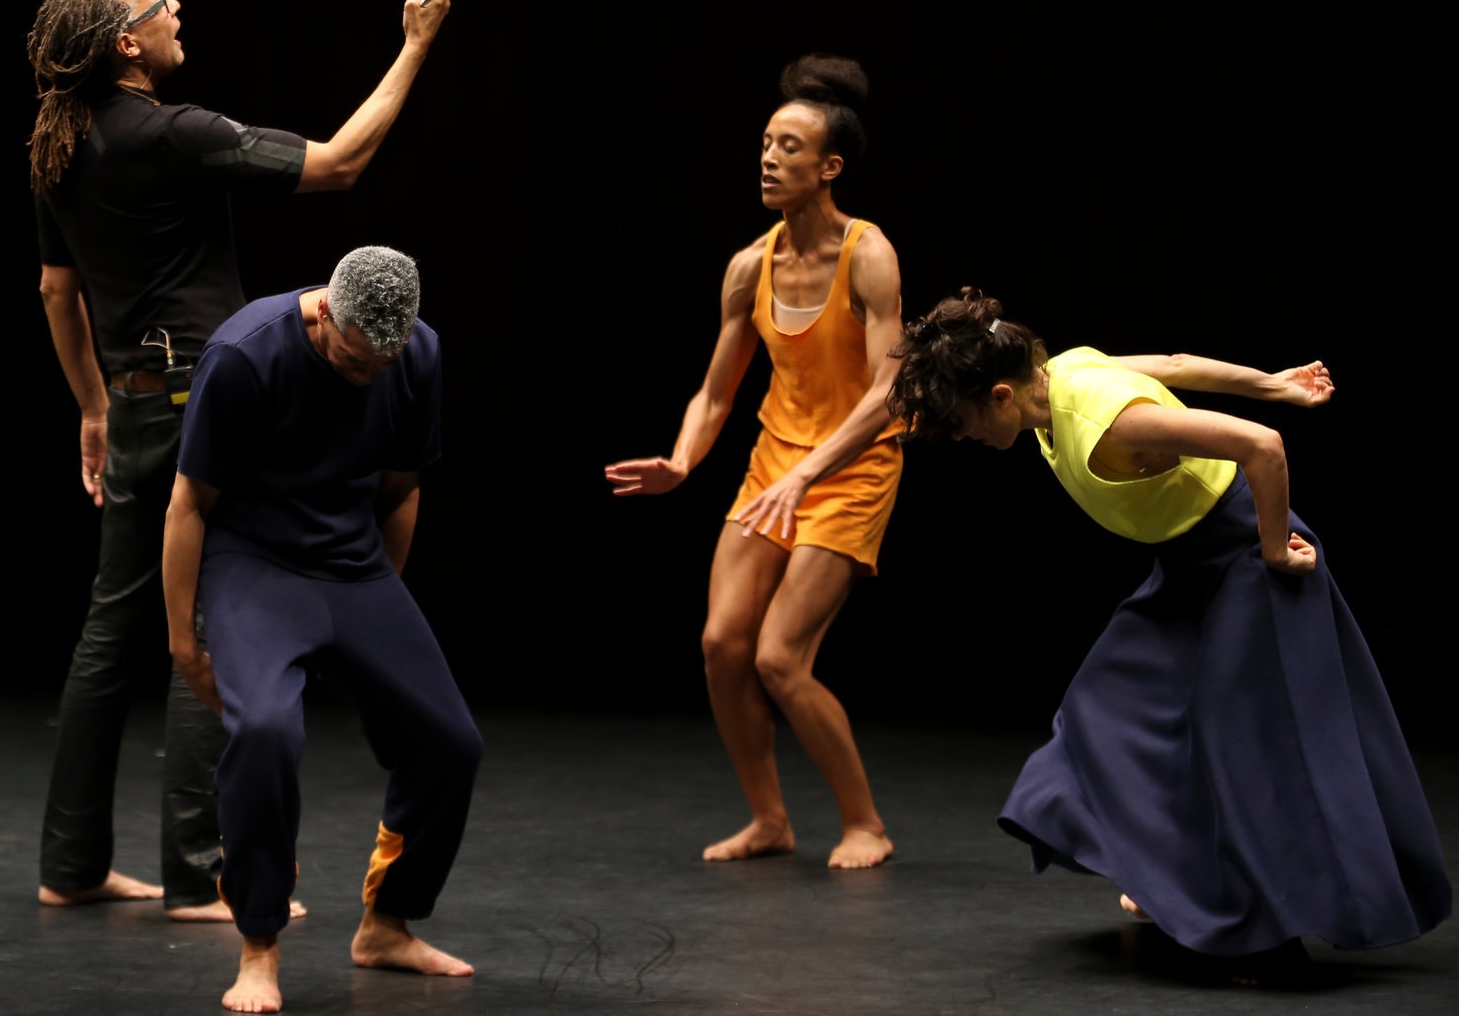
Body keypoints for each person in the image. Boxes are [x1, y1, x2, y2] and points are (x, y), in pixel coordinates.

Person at [27, 0, 454, 917]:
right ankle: (198, 874)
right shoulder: (176, 133)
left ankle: (71, 866)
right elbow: (341, 163)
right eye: (159, 4)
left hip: (136, 399)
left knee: (109, 628)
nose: (179, 8)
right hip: (198, 398)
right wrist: (416, 44)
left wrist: (94, 404)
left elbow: (60, 292)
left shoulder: (56, 142)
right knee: (211, 619)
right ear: (127, 43)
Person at [886, 289, 1450, 961]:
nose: (967, 437)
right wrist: (1272, 382)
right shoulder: (1062, 371)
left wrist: (1272, 546)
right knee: (1104, 713)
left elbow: (1260, 447)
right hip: (1189, 568)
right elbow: (1175, 364)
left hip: (1246, 557)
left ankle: (1263, 934)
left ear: (1002, 395)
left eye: (966, 421)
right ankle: (1172, 881)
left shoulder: (1102, 419)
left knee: (1237, 740)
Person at [163, 246, 479, 1013]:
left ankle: (387, 925)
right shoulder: (246, 353)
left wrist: (383, 613)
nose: (368, 375)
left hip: (354, 567)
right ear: (324, 315)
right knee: (267, 733)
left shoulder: (416, 353)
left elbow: (401, 489)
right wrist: (183, 642)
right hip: (254, 566)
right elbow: (188, 506)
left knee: (450, 742)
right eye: (353, 361)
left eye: (383, 363)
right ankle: (259, 946)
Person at [605, 56, 902, 869]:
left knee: (780, 657)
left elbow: (889, 393)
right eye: (767, 143)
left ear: (830, 166)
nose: (770, 158)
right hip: (777, 459)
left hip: (855, 466)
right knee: (723, 645)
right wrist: (681, 460)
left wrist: (811, 473)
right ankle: (770, 820)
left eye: (791, 147)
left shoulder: (868, 256)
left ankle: (864, 823)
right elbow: (714, 394)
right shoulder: (751, 266)